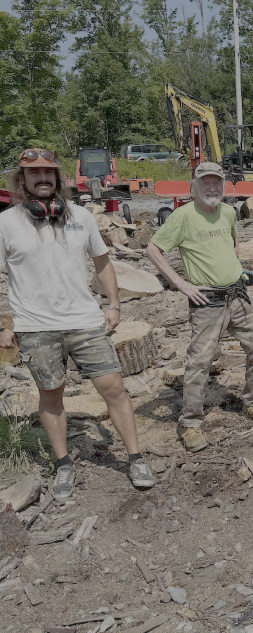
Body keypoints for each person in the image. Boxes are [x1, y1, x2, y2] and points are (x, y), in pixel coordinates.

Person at [0, 149, 154, 499]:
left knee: (114, 388)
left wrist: (113, 303)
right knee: (51, 397)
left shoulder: (81, 217)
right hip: (35, 328)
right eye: (33, 173)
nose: (42, 178)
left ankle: (135, 458)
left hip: (84, 322)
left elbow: (102, 262)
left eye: (48, 173)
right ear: (21, 180)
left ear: (58, 178)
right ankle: (64, 464)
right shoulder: (6, 223)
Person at [146, 162, 253, 452]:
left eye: (217, 182)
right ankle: (190, 423)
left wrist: (236, 269)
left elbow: (234, 242)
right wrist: (182, 284)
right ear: (194, 186)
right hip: (207, 302)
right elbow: (152, 250)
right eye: (206, 183)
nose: (212, 188)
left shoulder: (228, 212)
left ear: (224, 185)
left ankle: (252, 402)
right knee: (199, 362)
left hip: (238, 295)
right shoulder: (182, 217)